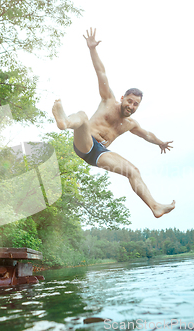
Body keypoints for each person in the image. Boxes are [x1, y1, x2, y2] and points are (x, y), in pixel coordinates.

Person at [52, 28, 176, 218]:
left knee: (133, 171)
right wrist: (92, 49)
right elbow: (101, 72)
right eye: (129, 101)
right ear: (122, 98)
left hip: (99, 154)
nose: (131, 106)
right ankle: (64, 122)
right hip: (85, 144)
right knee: (83, 116)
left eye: (136, 104)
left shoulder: (131, 124)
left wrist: (160, 142)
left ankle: (155, 207)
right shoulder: (108, 100)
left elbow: (147, 135)